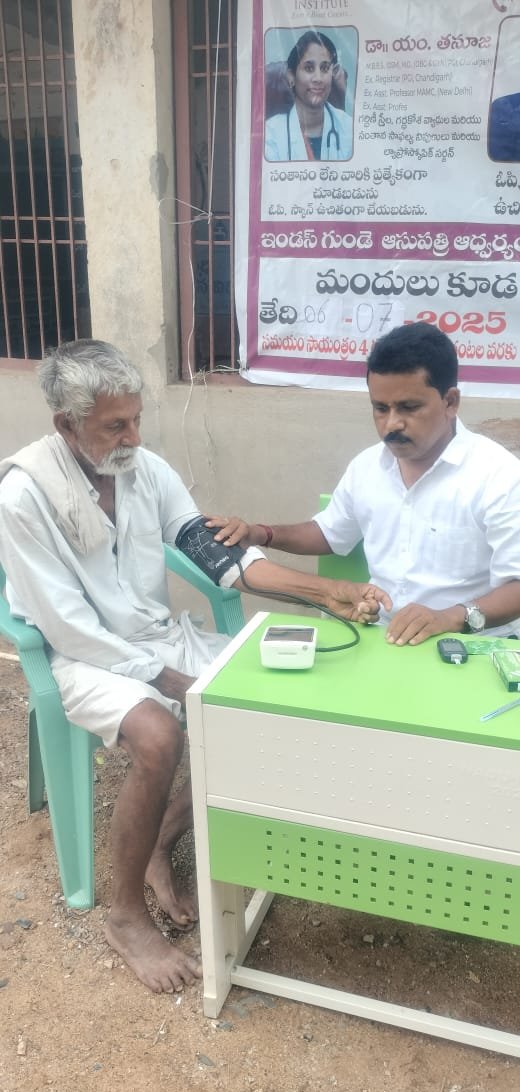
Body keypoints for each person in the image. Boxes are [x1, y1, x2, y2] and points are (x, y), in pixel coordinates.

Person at [0, 339, 388, 994]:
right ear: (66, 424)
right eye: (115, 425)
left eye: (137, 418)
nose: (134, 436)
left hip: (159, 638)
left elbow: (215, 555)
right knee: (159, 735)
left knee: (270, 690)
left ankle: (161, 839)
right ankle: (125, 916)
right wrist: (171, 682)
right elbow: (66, 625)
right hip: (84, 656)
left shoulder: (144, 470)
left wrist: (326, 592)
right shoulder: (23, 497)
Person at [208, 322, 520, 646]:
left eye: (409, 408)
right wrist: (261, 533)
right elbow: (328, 533)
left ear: (450, 402)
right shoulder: (368, 467)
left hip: (472, 645)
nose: (392, 424)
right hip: (381, 639)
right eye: (380, 408)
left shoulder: (498, 476)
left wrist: (451, 617)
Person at [265, 30, 352, 162]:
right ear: (291, 77)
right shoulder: (270, 135)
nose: (318, 78)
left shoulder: (349, 129)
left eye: (324, 68)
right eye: (309, 68)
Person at [488, 89, 520, 162]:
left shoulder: (514, 114)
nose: (509, 105)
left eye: (508, 103)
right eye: (505, 103)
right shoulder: (500, 126)